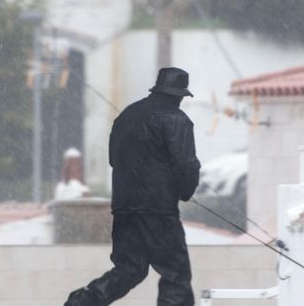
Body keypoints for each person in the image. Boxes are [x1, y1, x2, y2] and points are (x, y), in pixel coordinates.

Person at [64, 67, 201, 306]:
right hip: (158, 211)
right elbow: (185, 165)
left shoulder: (126, 116)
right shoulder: (177, 120)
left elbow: (114, 159)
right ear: (179, 95)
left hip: (124, 209)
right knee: (175, 273)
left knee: (130, 269)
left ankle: (82, 302)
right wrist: (184, 191)